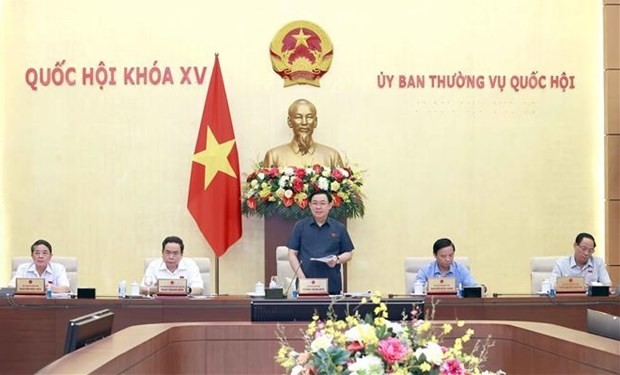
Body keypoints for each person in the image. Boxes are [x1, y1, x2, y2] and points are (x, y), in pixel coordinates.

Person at [287, 190, 354, 295]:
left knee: (330, 312)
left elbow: (349, 253)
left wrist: (337, 259)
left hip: (332, 285)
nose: (318, 207)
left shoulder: (339, 227)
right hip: (306, 285)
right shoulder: (300, 226)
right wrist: (302, 279)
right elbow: (292, 253)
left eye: (322, 203)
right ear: (309, 205)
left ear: (330, 205)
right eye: (315, 203)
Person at [263, 99, 344, 168]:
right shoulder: (274, 156)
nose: (304, 122)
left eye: (309, 117)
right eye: (298, 117)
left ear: (315, 122)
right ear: (290, 122)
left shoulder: (332, 156)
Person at [415, 238, 481, 289]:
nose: (448, 259)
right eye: (443, 256)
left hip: (455, 305)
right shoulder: (425, 270)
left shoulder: (461, 270)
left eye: (451, 255)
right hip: (431, 305)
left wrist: (482, 288)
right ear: (435, 255)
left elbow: (473, 287)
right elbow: (416, 289)